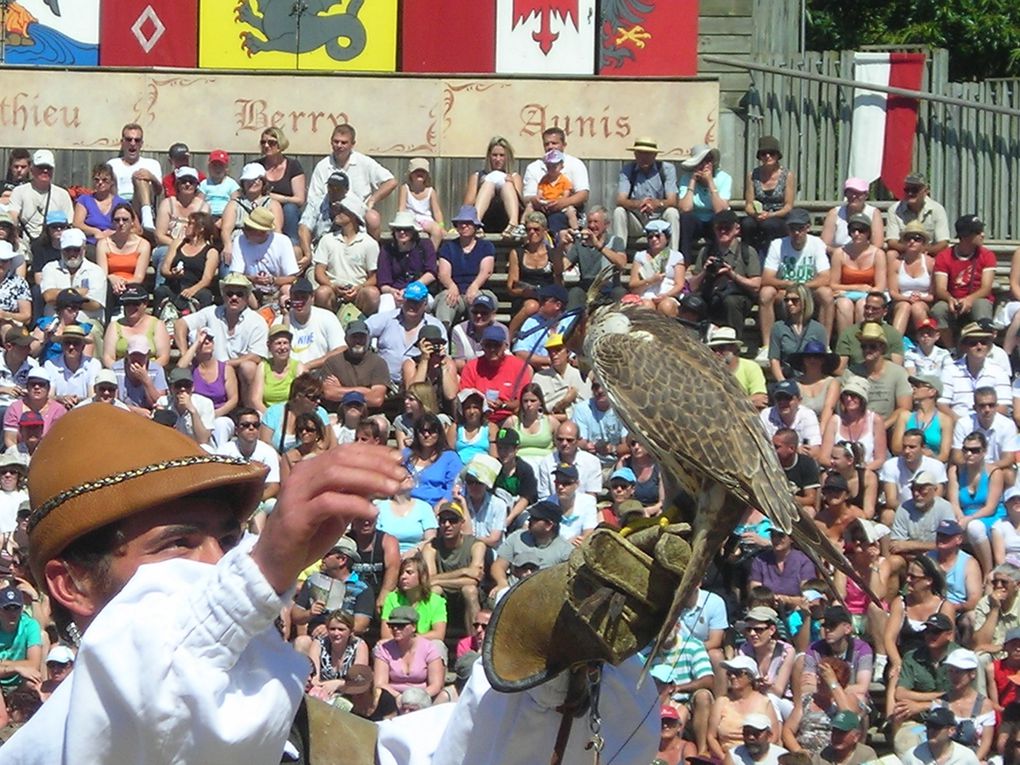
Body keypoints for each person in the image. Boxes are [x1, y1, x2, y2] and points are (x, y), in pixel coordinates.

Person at [3, 402, 408, 763]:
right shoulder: (51, 745)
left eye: (231, 542)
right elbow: (148, 687)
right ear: (72, 584)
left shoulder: (334, 742)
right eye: (178, 544)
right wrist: (259, 572)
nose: (222, 565)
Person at [175, 273, 269, 407]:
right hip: (210, 369)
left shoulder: (256, 321)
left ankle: (249, 410)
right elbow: (180, 324)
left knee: (248, 367)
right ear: (223, 295)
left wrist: (225, 366)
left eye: (239, 294)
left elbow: (256, 357)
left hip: (237, 371)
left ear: (247, 297)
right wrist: (185, 355)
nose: (234, 297)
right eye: (230, 293)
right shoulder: (211, 312)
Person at [759, 208, 833, 359]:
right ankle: (766, 347)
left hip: (809, 291)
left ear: (808, 227)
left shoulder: (817, 243)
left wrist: (801, 288)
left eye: (800, 228)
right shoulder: (777, 244)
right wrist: (790, 285)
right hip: (785, 292)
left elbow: (826, 278)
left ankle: (824, 345)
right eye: (792, 228)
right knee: (766, 293)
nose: (796, 232)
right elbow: (766, 278)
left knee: (826, 294)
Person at [307, 123, 397, 239]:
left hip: (358, 213)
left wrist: (372, 200)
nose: (339, 145)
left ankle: (373, 253)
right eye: (336, 141)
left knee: (373, 218)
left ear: (353, 144)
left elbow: (391, 182)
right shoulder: (322, 166)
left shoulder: (364, 162)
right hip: (331, 214)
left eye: (344, 142)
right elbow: (314, 198)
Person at [687, 209, 762, 332]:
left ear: (736, 229)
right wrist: (704, 272)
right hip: (711, 294)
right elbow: (692, 287)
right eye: (719, 228)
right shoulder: (706, 251)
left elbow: (756, 285)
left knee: (730, 302)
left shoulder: (748, 252)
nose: (722, 231)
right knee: (693, 302)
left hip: (738, 296)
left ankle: (733, 342)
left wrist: (731, 274)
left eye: (727, 228)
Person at [422, 500, 486, 634]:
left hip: (466, 595)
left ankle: (475, 641)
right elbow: (429, 581)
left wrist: (438, 579)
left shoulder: (476, 545)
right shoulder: (431, 547)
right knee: (434, 590)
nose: (447, 525)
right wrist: (463, 571)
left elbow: (473, 580)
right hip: (443, 593)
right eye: (443, 521)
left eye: (452, 521)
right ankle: (427, 638)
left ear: (462, 523)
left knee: (469, 590)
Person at [365, 280, 446, 385]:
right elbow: (363, 329)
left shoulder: (435, 326)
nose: (412, 305)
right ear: (403, 300)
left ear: (425, 303)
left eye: (416, 302)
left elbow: (443, 356)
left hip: (420, 385)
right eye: (409, 301)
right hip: (385, 384)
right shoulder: (386, 318)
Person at [932, 214, 998, 341]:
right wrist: (949, 299)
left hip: (978, 298)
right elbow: (940, 288)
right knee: (939, 309)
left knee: (981, 306)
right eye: (978, 232)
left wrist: (969, 299)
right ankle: (951, 349)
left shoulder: (987, 255)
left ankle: (982, 344)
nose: (983, 235)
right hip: (953, 299)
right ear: (966, 236)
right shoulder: (944, 256)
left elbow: (986, 288)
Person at [312, 195, 380, 316]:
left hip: (358, 291)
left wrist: (359, 287)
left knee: (372, 293)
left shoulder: (369, 243)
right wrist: (332, 286)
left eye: (341, 210)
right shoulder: (327, 240)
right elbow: (319, 272)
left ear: (353, 215)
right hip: (333, 291)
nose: (336, 213)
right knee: (322, 292)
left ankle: (365, 324)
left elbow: (373, 277)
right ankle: (329, 322)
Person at [489, 500, 572, 598]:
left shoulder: (565, 551)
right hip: (511, 593)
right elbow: (498, 566)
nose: (529, 520)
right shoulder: (516, 537)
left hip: (543, 598)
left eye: (535, 518)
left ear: (549, 525)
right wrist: (502, 583)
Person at [215, 408, 281, 530]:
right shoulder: (224, 451)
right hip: (231, 500)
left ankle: (257, 542)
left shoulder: (268, 451)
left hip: (259, 499)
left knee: (273, 505)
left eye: (255, 425)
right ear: (236, 430)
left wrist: (253, 501)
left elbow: (273, 486)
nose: (251, 428)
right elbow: (218, 483)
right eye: (245, 425)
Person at [948, 431, 1004, 574]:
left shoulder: (994, 472)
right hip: (964, 516)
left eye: (975, 450)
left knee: (974, 527)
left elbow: (991, 507)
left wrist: (968, 519)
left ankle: (988, 571)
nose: (969, 454)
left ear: (984, 451)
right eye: (966, 450)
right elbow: (953, 502)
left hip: (989, 516)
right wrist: (961, 518)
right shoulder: (956, 471)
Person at [434, 205, 497, 328]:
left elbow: (486, 271)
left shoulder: (486, 246)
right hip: (455, 291)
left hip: (479, 289)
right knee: (446, 300)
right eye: (460, 223)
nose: (464, 226)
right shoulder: (448, 247)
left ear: (475, 226)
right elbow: (443, 273)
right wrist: (452, 286)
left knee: (479, 300)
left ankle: (479, 337)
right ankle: (442, 337)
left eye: (468, 223)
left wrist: (474, 286)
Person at [611, 136, 680, 246]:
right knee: (619, 212)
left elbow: (672, 201)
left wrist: (656, 204)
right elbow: (620, 200)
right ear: (635, 154)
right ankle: (619, 254)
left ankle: (672, 256)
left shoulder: (666, 169)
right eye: (640, 153)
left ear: (655, 155)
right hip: (637, 220)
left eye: (648, 153)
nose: (644, 157)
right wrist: (639, 204)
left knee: (672, 212)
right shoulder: (628, 170)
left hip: (659, 219)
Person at [178, 326, 240, 447]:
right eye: (203, 340)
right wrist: (196, 343)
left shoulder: (226, 369)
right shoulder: (191, 368)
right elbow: (179, 368)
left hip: (219, 415)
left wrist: (212, 414)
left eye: (210, 339)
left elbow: (233, 400)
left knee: (221, 425)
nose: (206, 342)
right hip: (195, 413)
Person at [522, 127, 590, 235]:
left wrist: (562, 203)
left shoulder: (575, 164)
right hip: (541, 210)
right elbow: (527, 197)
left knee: (557, 220)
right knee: (534, 220)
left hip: (565, 211)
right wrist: (537, 200)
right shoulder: (534, 167)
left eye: (554, 143)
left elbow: (583, 194)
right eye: (547, 144)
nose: (550, 147)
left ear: (564, 145)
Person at [707, 656, 779, 757]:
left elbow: (774, 736)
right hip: (726, 757)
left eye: (737, 673)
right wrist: (725, 759)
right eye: (729, 673)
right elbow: (711, 736)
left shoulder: (764, 702)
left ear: (750, 677)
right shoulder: (721, 702)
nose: (732, 677)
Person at [460, 325, 533, 424]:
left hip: (508, 417)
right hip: (478, 418)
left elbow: (523, 400)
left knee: (513, 421)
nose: (492, 349)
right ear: (482, 347)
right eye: (488, 345)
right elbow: (465, 397)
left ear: (505, 346)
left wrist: (503, 404)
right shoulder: (472, 367)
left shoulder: (519, 366)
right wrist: (483, 403)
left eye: (496, 345)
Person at [829, 213, 887, 338]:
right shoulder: (840, 253)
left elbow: (880, 287)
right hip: (845, 294)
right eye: (853, 230)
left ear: (868, 233)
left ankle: (864, 342)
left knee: (863, 305)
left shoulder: (878, 254)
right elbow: (833, 284)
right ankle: (845, 343)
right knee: (844, 305)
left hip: (868, 294)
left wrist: (865, 291)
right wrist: (858, 287)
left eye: (861, 230)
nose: (856, 234)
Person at [228, 207, 299, 307]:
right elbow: (236, 275)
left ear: (262, 232)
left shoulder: (283, 241)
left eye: (248, 229)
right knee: (238, 287)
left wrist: (272, 280)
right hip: (251, 290)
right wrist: (252, 279)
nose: (244, 231)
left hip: (276, 291)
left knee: (287, 289)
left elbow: (292, 277)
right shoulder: (239, 240)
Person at [373, 605, 445, 702]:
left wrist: (417, 698)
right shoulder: (384, 649)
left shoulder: (429, 648)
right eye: (392, 626)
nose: (395, 629)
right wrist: (399, 697)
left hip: (422, 698)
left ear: (414, 627)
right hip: (392, 699)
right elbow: (380, 683)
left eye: (401, 626)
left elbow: (436, 685)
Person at [96, 201, 155, 317]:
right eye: (117, 220)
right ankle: (106, 325)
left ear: (132, 222)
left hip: (132, 284)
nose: (121, 223)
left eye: (125, 219)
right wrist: (112, 279)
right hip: (110, 284)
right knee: (106, 289)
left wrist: (121, 282)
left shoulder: (143, 244)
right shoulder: (103, 244)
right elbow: (102, 273)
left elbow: (139, 277)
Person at [154, 210, 219, 314]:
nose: (185, 227)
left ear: (201, 228)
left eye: (190, 224)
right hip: (174, 286)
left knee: (205, 295)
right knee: (161, 291)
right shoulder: (177, 244)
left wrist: (192, 290)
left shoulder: (211, 252)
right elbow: (164, 269)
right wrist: (173, 274)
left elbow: (206, 279)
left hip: (195, 287)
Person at [941, 323, 1012, 419]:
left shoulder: (999, 371)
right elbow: (942, 405)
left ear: (989, 347)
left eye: (983, 342)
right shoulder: (949, 370)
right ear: (964, 347)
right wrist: (963, 425)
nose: (979, 347)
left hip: (989, 425)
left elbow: (1003, 407)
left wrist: (980, 425)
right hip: (957, 426)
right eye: (973, 343)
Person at [152, 166, 210, 282]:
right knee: (166, 254)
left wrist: (187, 249)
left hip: (194, 247)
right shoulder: (167, 204)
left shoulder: (203, 207)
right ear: (177, 184)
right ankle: (162, 292)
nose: (187, 184)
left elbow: (203, 236)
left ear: (196, 185)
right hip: (166, 246)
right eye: (183, 181)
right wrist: (178, 246)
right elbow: (159, 236)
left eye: (191, 182)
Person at [219, 163, 283, 265]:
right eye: (248, 180)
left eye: (256, 179)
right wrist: (228, 246)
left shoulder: (273, 204)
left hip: (265, 249)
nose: (252, 183)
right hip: (238, 248)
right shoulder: (234, 204)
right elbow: (226, 230)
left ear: (263, 182)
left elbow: (277, 230)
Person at [319, 319, 389, 413]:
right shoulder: (332, 362)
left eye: (362, 337)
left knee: (381, 424)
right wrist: (365, 391)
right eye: (354, 337)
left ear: (368, 338)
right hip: (339, 414)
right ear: (346, 339)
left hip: (370, 415)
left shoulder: (378, 363)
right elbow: (329, 393)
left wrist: (340, 389)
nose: (358, 341)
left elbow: (376, 400)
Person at [300, 609, 370, 703]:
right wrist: (326, 687)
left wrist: (338, 684)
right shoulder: (319, 643)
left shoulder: (359, 645)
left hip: (349, 695)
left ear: (351, 631)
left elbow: (359, 680)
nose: (336, 633)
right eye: (332, 629)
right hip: (321, 693)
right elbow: (313, 677)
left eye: (341, 629)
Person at [38, 228, 107, 322]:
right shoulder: (50, 268)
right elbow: (49, 296)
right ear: (61, 250)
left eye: (76, 249)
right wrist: (79, 293)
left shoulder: (96, 271)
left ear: (84, 249)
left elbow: (94, 304)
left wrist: (60, 299)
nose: (72, 254)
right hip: (54, 321)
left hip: (87, 323)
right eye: (67, 250)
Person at [276, 277, 345, 370]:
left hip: (320, 374)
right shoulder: (280, 321)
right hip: (289, 374)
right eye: (296, 297)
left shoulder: (327, 317)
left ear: (312, 298)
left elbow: (341, 349)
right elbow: (276, 352)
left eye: (303, 297)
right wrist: (286, 317)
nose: (299, 301)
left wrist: (308, 366)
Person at [742, 136, 795, 255]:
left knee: (769, 225)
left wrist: (771, 215)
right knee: (746, 224)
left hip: (779, 216)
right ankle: (748, 259)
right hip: (759, 215)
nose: (767, 156)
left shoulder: (787, 175)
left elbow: (788, 206)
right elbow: (748, 205)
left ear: (777, 155)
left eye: (771, 153)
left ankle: (769, 260)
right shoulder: (753, 175)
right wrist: (756, 214)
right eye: (763, 154)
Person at [818, 378, 887, 472]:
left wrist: (859, 471)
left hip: (866, 473)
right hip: (838, 473)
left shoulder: (875, 420)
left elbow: (880, 459)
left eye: (854, 395)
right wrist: (843, 468)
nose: (848, 399)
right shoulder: (835, 421)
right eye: (846, 395)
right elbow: (823, 457)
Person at [260, 372, 334, 455]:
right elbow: (265, 443)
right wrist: (284, 462)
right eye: (313, 398)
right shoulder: (274, 412)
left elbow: (323, 444)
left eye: (319, 397)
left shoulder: (320, 413)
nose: (318, 401)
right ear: (298, 396)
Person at [463, 136, 524, 237]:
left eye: (502, 155)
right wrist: (481, 187)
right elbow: (467, 205)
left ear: (507, 157)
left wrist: (512, 184)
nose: (498, 159)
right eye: (494, 155)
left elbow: (520, 204)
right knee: (488, 184)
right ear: (489, 156)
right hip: (486, 219)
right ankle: (476, 223)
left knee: (507, 184)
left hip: (505, 218)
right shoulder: (477, 176)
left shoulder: (514, 176)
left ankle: (513, 224)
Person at [767, 285, 829, 383]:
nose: (789, 303)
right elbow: (774, 358)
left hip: (812, 380)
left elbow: (822, 361)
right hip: (787, 378)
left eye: (794, 300)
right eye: (786, 300)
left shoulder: (818, 329)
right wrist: (783, 382)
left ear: (805, 301)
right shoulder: (778, 327)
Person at [379, 555, 447, 643]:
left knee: (438, 645)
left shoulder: (437, 601)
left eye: (409, 572)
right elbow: (386, 635)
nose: (403, 577)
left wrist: (410, 638)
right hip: (397, 645)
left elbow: (438, 634)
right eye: (401, 573)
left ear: (422, 576)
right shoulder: (392, 598)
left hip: (425, 646)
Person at [8, 150, 73, 243]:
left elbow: (69, 223)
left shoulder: (62, 194)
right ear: (32, 169)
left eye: (48, 168)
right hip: (26, 243)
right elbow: (12, 216)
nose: (45, 170)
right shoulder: (19, 191)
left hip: (54, 244)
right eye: (40, 167)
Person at [885, 172, 951, 259]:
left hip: (930, 253)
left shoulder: (937, 209)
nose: (910, 193)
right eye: (907, 190)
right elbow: (892, 241)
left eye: (915, 190)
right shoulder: (894, 210)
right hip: (903, 253)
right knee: (891, 254)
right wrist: (913, 250)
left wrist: (924, 251)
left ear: (926, 191)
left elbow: (943, 243)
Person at [403, 412, 462, 509]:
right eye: (422, 431)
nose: (426, 434)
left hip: (435, 508)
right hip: (405, 507)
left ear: (439, 433)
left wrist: (440, 507)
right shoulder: (405, 455)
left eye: (431, 431)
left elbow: (454, 487)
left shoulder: (450, 458)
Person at [257, 126, 306, 242]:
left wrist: (277, 198)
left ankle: (292, 243)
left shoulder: (293, 166)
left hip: (287, 212)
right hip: (262, 208)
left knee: (290, 209)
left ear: (280, 144)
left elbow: (299, 199)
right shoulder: (257, 166)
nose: (266, 145)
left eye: (271, 143)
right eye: (263, 142)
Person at [628, 218, 686, 317]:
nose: (654, 239)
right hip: (646, 294)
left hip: (668, 294)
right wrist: (651, 280)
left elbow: (679, 284)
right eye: (650, 237)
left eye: (658, 236)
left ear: (667, 238)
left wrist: (665, 295)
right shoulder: (640, 256)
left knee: (666, 306)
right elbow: (633, 285)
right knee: (646, 307)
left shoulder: (676, 256)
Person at [889, 221, 937, 335]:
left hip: (924, 301)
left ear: (923, 243)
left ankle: (924, 342)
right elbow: (893, 292)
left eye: (917, 238)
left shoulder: (930, 263)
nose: (912, 241)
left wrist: (920, 298)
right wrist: (907, 299)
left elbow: (933, 295)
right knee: (905, 307)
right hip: (901, 299)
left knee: (917, 308)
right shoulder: (896, 263)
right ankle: (895, 344)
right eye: (908, 238)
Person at [891, 376, 953, 464]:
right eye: (913, 385)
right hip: (906, 464)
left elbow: (944, 455)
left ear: (932, 391)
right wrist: (919, 452)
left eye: (918, 385)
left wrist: (931, 457)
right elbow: (896, 448)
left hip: (932, 466)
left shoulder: (945, 420)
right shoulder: (905, 416)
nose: (914, 388)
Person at [707, 326, 767, 409]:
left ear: (734, 348)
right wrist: (746, 402)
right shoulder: (709, 370)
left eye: (721, 348)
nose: (717, 353)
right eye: (713, 349)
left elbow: (760, 399)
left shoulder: (750, 367)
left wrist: (726, 404)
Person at [374, 478, 437, 557]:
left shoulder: (424, 507)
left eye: (409, 475)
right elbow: (376, 539)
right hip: (387, 556)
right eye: (404, 477)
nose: (409, 477)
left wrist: (415, 551)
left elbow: (431, 539)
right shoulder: (380, 507)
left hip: (417, 557)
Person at [821, 177, 884, 254]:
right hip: (838, 256)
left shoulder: (874, 213)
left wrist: (859, 255)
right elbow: (824, 245)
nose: (854, 196)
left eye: (858, 193)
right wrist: (841, 255)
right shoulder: (834, 213)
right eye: (850, 192)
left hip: (866, 258)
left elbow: (878, 245)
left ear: (866, 195)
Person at [758, 380, 821, 457]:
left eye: (788, 398)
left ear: (799, 400)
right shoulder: (766, 415)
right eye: (779, 398)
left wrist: (780, 448)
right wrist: (796, 449)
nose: (783, 402)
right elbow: (761, 445)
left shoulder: (808, 415)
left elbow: (815, 452)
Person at [900, 706, 980, 765]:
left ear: (951, 731)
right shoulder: (912, 756)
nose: (931, 730)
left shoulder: (966, 757)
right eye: (929, 726)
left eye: (937, 727)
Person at [73, 162, 127, 248]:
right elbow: (77, 224)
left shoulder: (121, 203)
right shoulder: (84, 200)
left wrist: (114, 233)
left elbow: (136, 229)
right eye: (97, 180)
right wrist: (95, 232)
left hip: (114, 244)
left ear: (112, 182)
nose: (100, 183)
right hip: (90, 244)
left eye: (105, 180)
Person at [811, 710, 876, 765]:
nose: (836, 736)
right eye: (834, 731)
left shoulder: (866, 756)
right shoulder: (822, 755)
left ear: (856, 736)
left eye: (842, 732)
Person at [197, 149, 239, 221]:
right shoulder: (204, 184)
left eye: (221, 166)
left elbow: (235, 203)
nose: (217, 169)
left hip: (225, 215)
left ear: (226, 168)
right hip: (208, 216)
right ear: (209, 167)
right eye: (214, 165)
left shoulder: (232, 184)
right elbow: (199, 202)